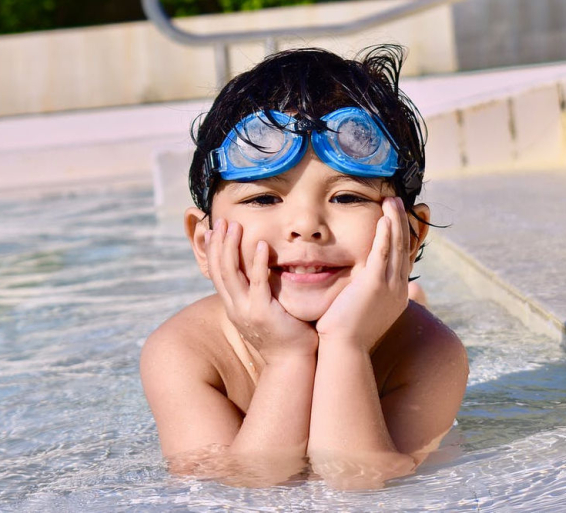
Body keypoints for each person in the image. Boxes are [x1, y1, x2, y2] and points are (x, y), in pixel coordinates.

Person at [140, 45, 468, 489]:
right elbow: (238, 489)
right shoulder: (185, 352)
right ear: (204, 241)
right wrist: (288, 358)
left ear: (410, 236)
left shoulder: (429, 352)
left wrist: (347, 345)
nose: (305, 226)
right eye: (263, 198)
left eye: (347, 196)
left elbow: (359, 482)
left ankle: (409, 296)